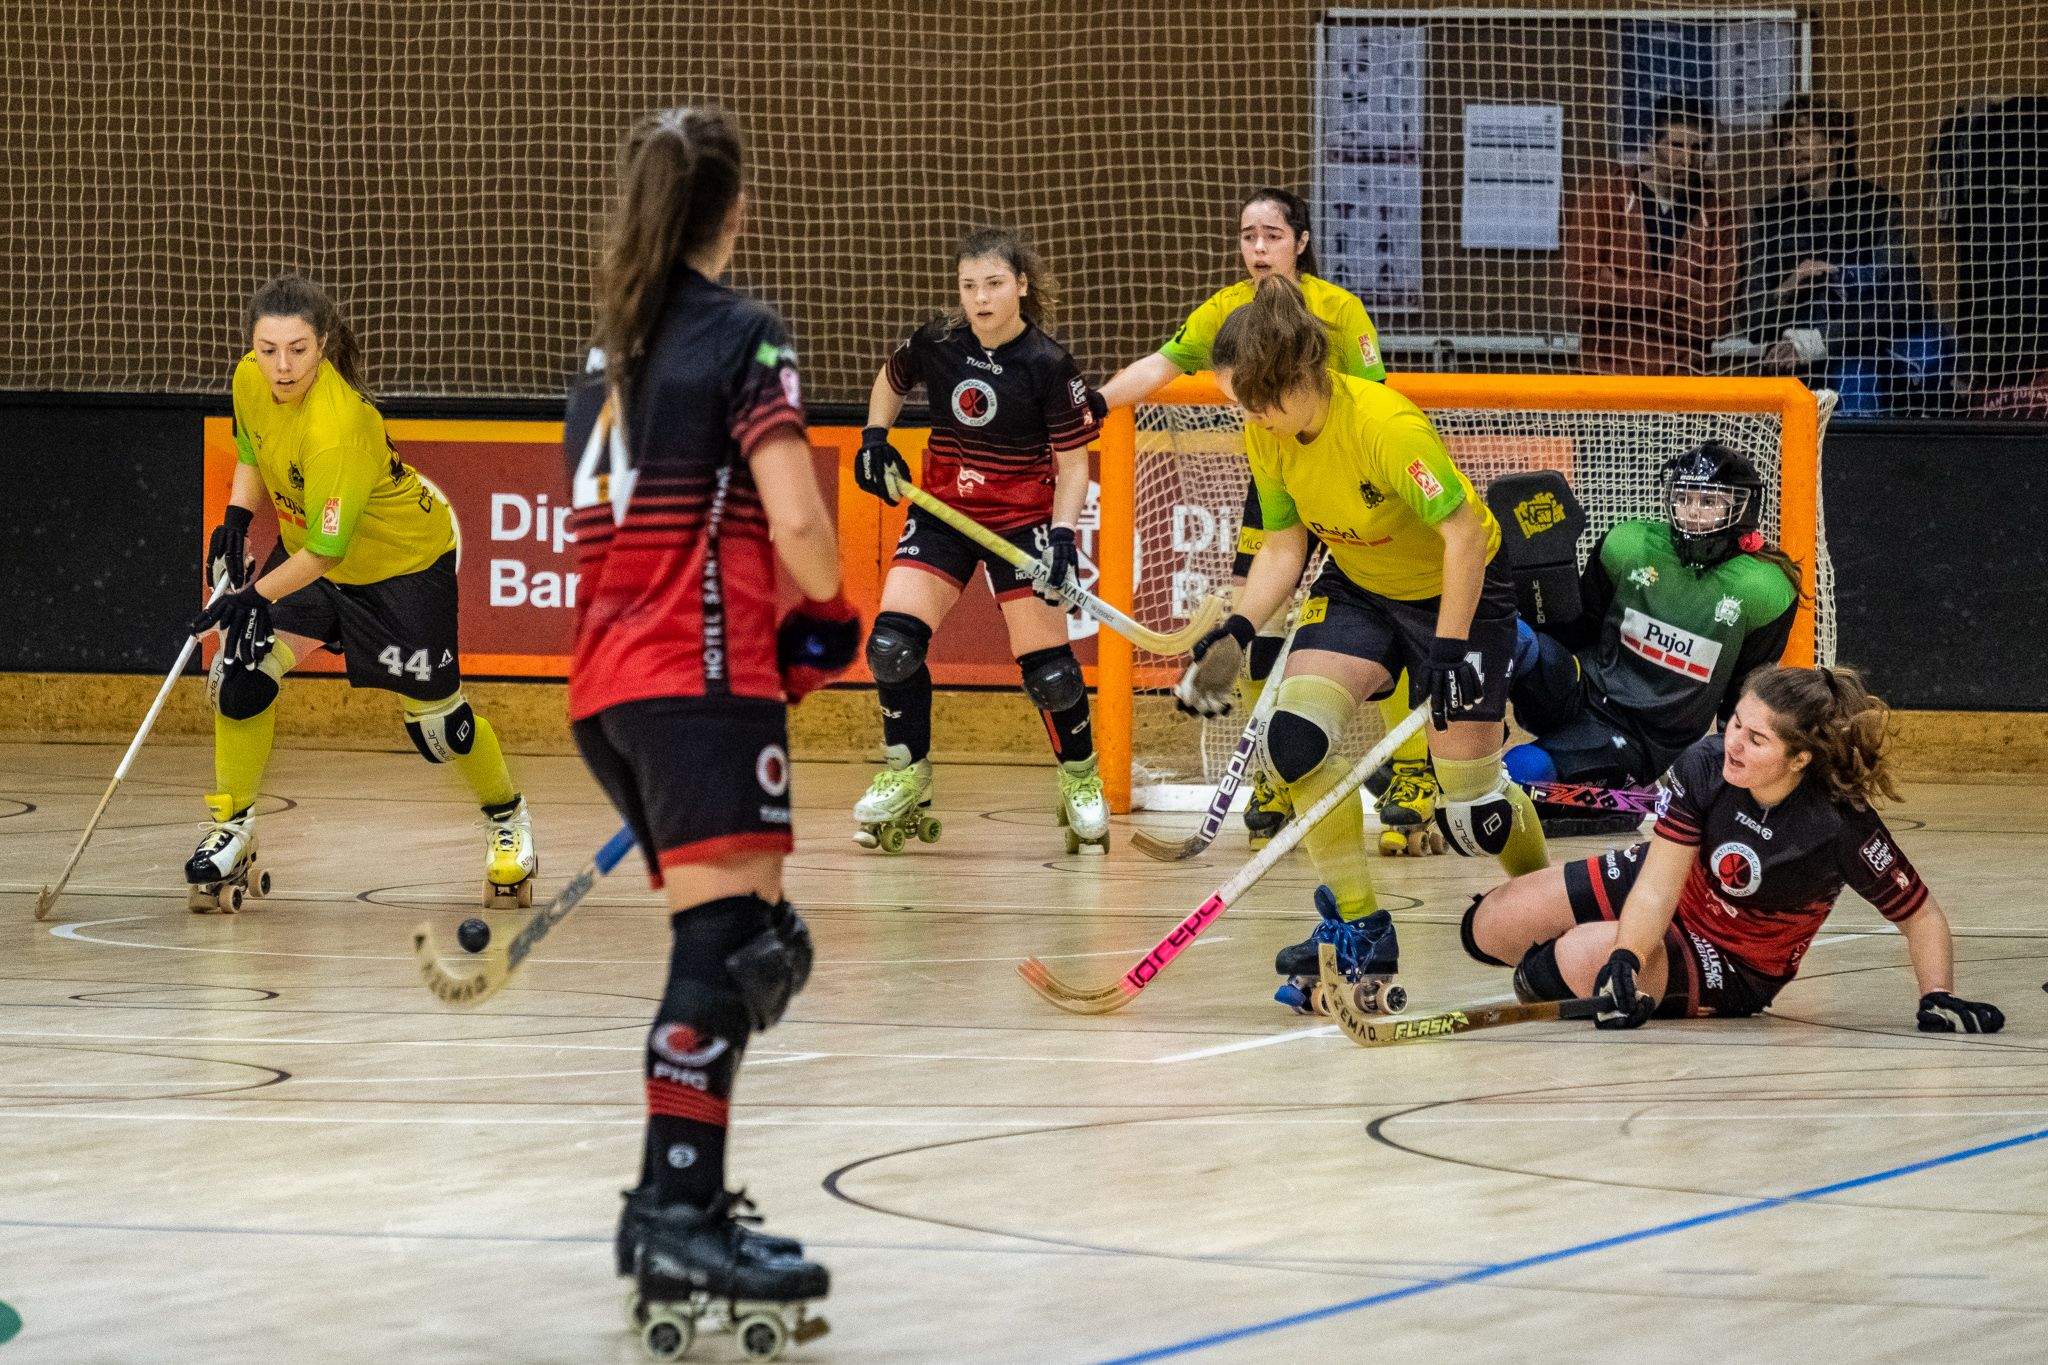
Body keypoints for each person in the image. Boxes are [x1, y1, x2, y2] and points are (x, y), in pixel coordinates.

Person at [561, 106, 857, 1344]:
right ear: (731, 210)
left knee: (751, 942)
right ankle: (674, 1213)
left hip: (606, 687)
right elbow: (794, 519)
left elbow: (599, 531)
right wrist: (829, 616)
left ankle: (667, 1201)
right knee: (732, 951)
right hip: (698, 678)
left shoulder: (606, 349)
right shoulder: (743, 334)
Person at [1172, 276, 1551, 1013]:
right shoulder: (1268, 430)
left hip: (1460, 589)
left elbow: (1465, 535)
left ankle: (1551, 912)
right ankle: (1361, 925)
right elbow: (1285, 544)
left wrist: (1447, 648)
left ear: (1294, 379)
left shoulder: (1384, 424)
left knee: (1476, 813)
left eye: (1248, 399)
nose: (1242, 414)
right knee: (1294, 740)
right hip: (1361, 587)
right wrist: (1239, 629)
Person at [1096, 187, 1439, 855]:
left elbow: (1375, 400)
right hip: (1280, 480)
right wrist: (1088, 407)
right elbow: (1163, 363)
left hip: (1351, 479)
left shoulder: (1339, 311)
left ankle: (1413, 777)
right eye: (1248, 236)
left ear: (1300, 242)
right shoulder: (1225, 311)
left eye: (1272, 235)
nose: (1258, 248)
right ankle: (1277, 776)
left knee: (1398, 616)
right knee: (1263, 624)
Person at [187, 274, 537, 912]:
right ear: (252, 347)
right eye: (268, 349)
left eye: (297, 349)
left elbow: (326, 553)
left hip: (402, 566)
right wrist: (234, 521)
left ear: (322, 346)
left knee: (440, 728)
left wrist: (249, 597)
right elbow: (250, 451)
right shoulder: (248, 380)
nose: (282, 365)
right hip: (312, 561)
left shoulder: (340, 424)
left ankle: (506, 817)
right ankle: (232, 826)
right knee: (243, 673)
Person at [1465, 665, 2004, 1035]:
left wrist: (1937, 996)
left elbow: (1920, 914)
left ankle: (1586, 956)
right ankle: (1605, 952)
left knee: (1558, 970)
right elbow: (1660, 880)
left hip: (1735, 958)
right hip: (1676, 890)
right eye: (1736, 724)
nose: (1734, 744)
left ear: (1800, 761)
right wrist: (1629, 957)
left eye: (1757, 740)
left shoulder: (1840, 825)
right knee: (1488, 926)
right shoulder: (1707, 763)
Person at [852, 227, 1108, 854]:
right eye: (969, 286)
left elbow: (1073, 465)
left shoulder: (1049, 363)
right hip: (942, 512)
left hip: (1021, 521)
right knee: (891, 644)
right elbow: (890, 382)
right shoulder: (937, 343)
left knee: (1050, 673)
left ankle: (1080, 778)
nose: (980, 298)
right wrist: (874, 439)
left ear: (1021, 286)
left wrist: (1064, 537)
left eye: (994, 284)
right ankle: (906, 771)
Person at [1506, 441, 1801, 826]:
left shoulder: (1764, 589)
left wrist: (1731, 786)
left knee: (1519, 772)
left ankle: (1605, 797)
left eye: (1710, 502)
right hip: (1582, 687)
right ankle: (1444, 758)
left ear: (1742, 509)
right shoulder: (1630, 544)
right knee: (1510, 633)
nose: (1694, 511)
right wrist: (1530, 600)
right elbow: (1578, 631)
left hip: (1640, 741)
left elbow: (1741, 699)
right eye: (1685, 498)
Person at [1740, 97, 1935, 415]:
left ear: (1836, 140)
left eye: (1804, 134)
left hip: (1861, 360)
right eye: (1786, 139)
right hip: (1789, 368)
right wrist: (1790, 284)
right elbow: (1752, 318)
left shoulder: (1875, 206)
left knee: (1856, 374)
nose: (1793, 147)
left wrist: (1816, 340)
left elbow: (1907, 298)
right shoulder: (1770, 215)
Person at [1566, 95, 1735, 375]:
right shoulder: (1604, 197)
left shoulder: (1718, 213)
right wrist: (1677, 289)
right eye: (1676, 145)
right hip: (1607, 371)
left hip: (1681, 375)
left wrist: (1619, 287)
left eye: (1698, 148)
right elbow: (1580, 293)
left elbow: (1716, 318)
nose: (1687, 159)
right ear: (1652, 145)